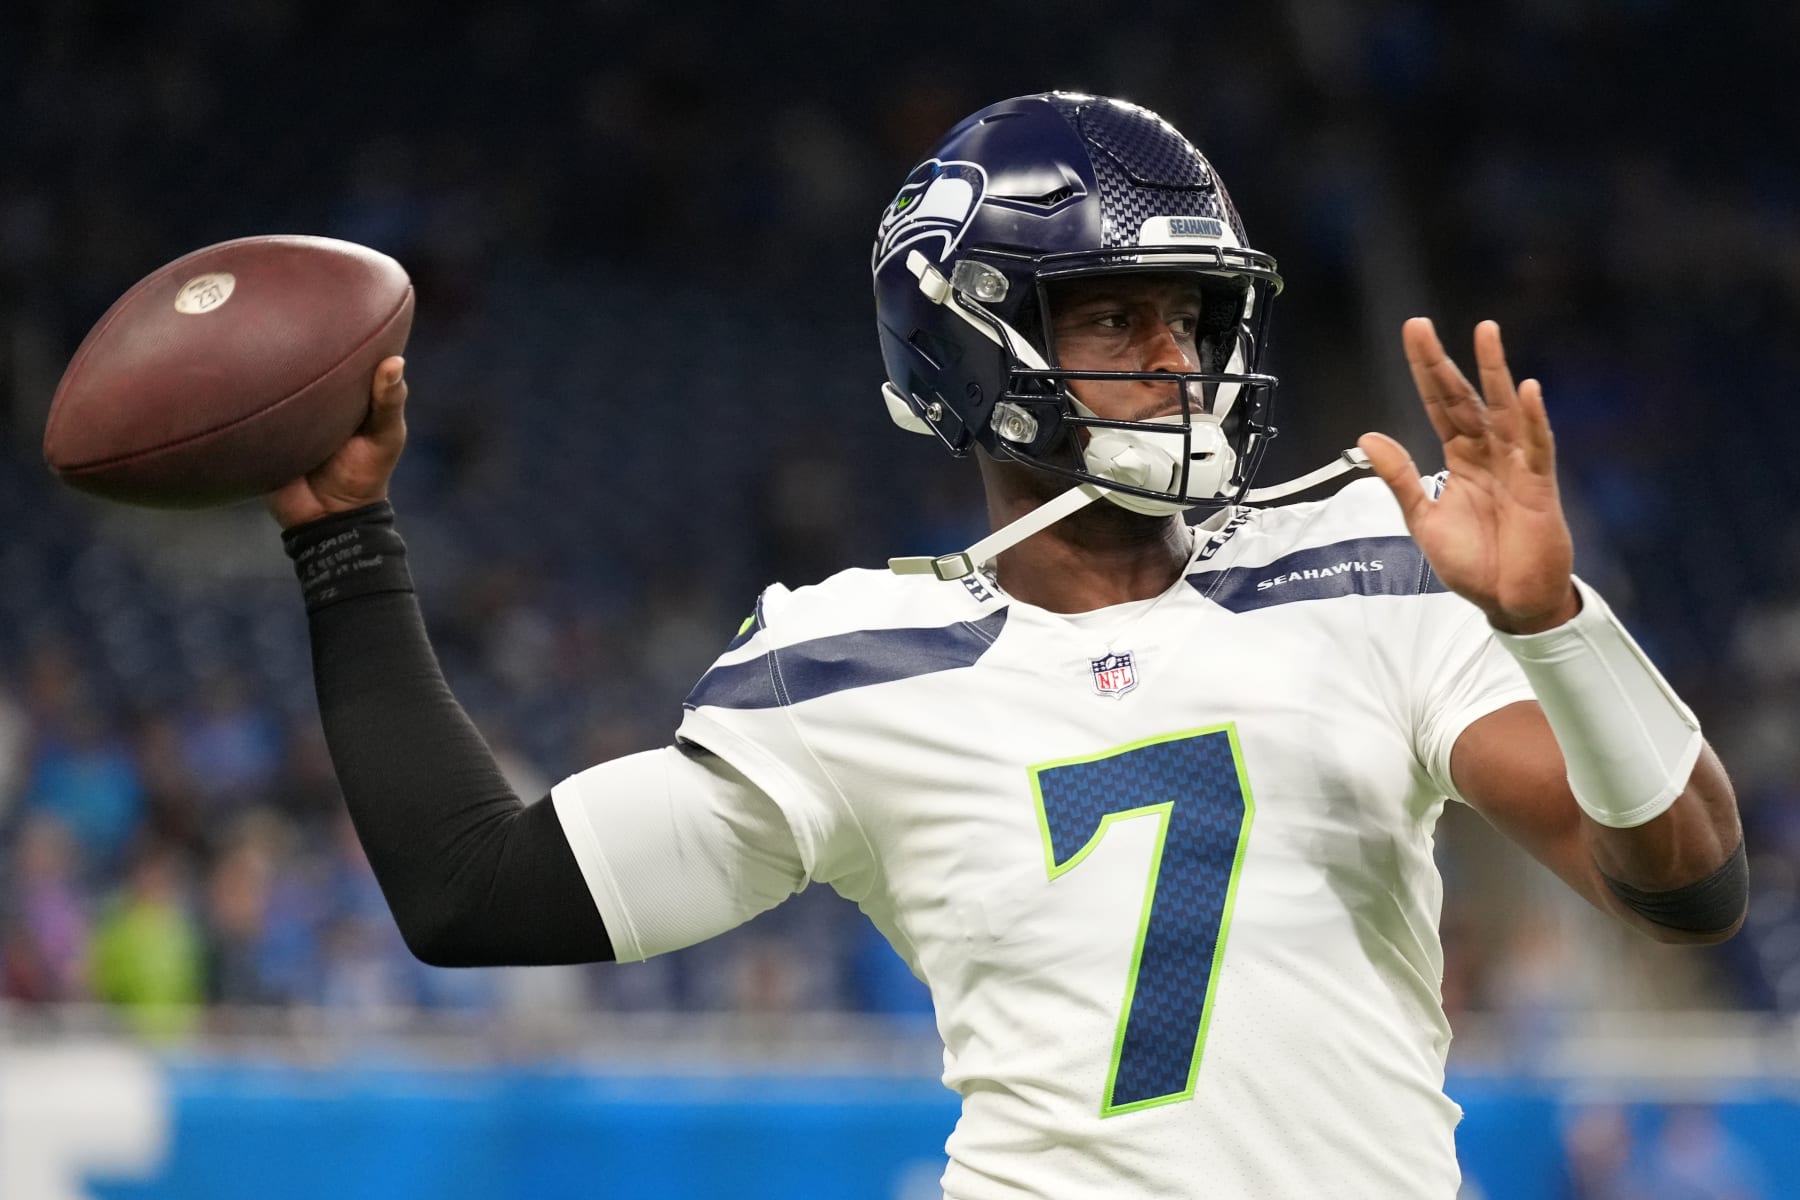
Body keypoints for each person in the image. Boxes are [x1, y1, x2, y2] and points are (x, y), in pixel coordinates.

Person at [267, 93, 1746, 1198]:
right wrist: (345, 545)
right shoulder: (854, 661)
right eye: (1118, 315)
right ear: (968, 344)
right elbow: (475, 892)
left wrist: (1553, 624)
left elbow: (1685, 886)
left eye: (1191, 313)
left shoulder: (1364, 556)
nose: (1177, 357)